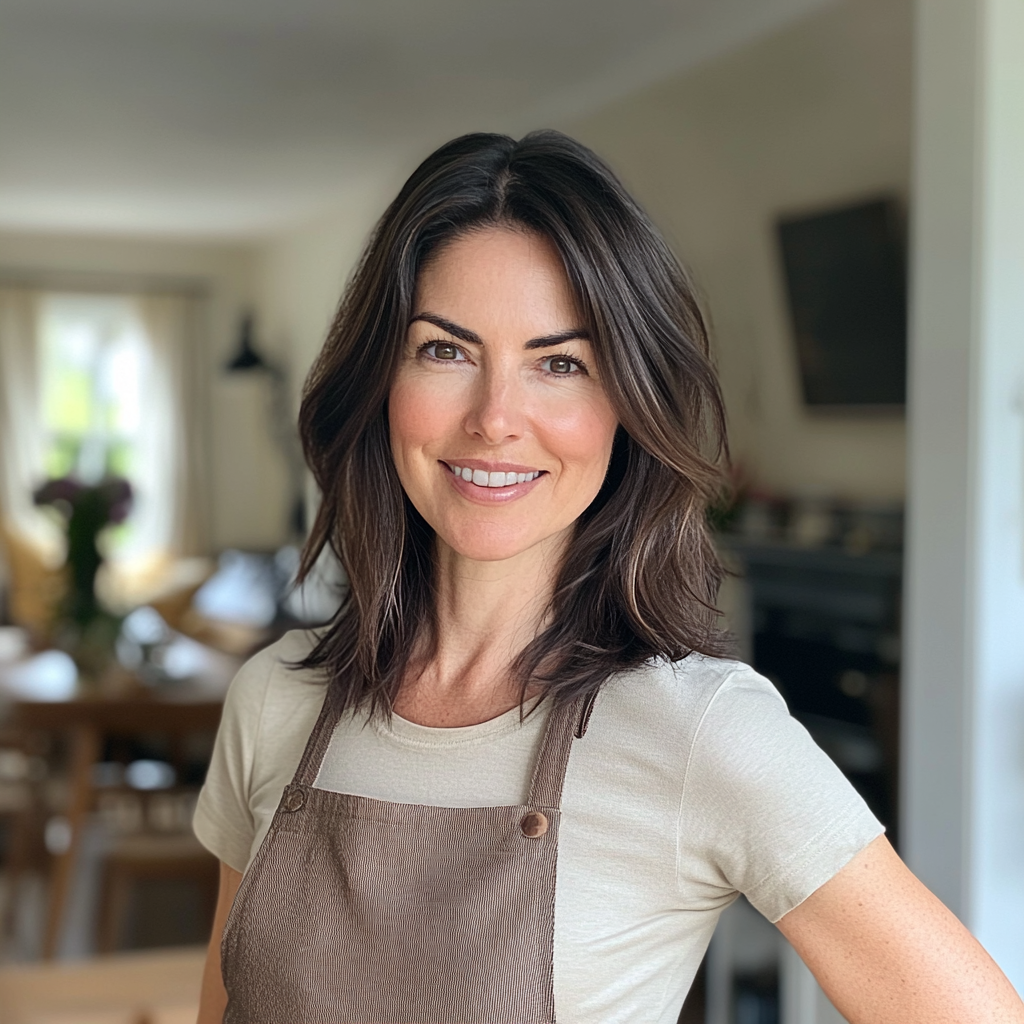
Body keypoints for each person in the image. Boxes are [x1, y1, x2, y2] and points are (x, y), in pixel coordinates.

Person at [194, 131, 1024, 1024]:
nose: (496, 418)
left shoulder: (700, 731)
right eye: (446, 350)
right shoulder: (275, 701)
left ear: (627, 405)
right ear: (380, 378)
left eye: (561, 363)